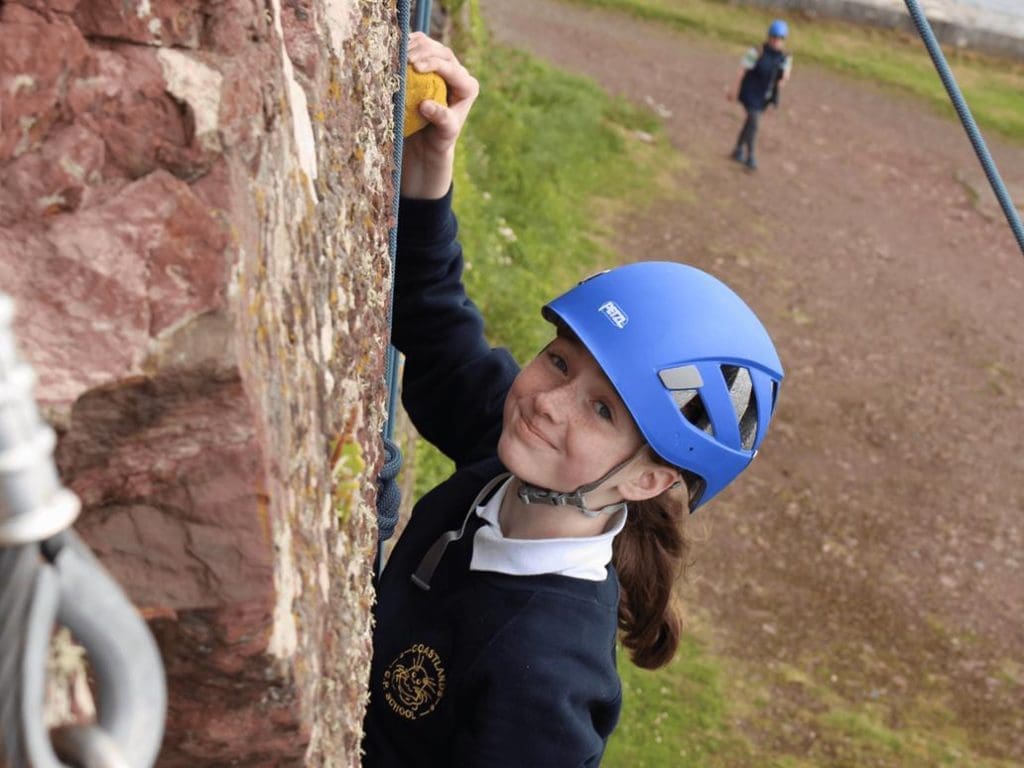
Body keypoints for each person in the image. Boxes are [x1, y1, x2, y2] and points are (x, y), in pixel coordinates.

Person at [362, 32, 785, 767]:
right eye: (559, 361)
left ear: (649, 478)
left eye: (604, 411)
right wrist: (433, 159)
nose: (552, 402)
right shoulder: (515, 459)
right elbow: (432, 316)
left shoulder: (546, 680)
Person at [728, 19, 793, 171]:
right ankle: (750, 156)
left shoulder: (785, 57)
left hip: (765, 94)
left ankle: (738, 149)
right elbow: (742, 70)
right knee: (754, 121)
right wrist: (734, 89)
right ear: (769, 36)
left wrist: (783, 80)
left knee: (750, 121)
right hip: (750, 91)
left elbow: (786, 74)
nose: (776, 41)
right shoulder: (757, 52)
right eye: (774, 37)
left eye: (780, 38)